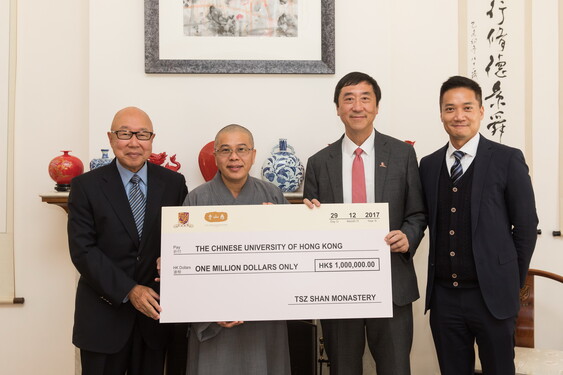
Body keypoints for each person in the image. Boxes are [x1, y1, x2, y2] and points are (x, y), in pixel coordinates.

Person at [303, 71, 426, 375]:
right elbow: (310, 223)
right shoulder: (319, 163)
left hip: (391, 282)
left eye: (365, 98)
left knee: (396, 367)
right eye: (348, 99)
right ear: (337, 108)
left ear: (377, 106)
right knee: (343, 368)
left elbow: (417, 214)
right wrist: (310, 217)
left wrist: (408, 237)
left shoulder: (402, 154)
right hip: (337, 288)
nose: (357, 106)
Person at [419, 76, 538, 375]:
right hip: (444, 298)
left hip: (492, 298)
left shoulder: (507, 159)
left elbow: (525, 227)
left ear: (481, 111)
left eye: (467, 107)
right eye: (450, 108)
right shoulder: (429, 164)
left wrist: (509, 281)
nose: (459, 116)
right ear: (441, 113)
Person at [67, 106, 188, 375]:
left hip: (155, 320)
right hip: (103, 318)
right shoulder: (86, 186)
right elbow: (83, 250)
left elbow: (184, 238)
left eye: (142, 134)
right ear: (111, 139)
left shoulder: (174, 183)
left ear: (152, 140)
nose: (134, 142)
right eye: (125, 134)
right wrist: (130, 290)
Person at [184, 124, 291, 375]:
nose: (234, 157)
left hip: (265, 321)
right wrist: (211, 311)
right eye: (225, 150)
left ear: (253, 155)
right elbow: (185, 267)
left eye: (242, 149)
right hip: (213, 322)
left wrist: (296, 221)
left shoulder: (273, 195)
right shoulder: (196, 199)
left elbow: (294, 256)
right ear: (215, 155)